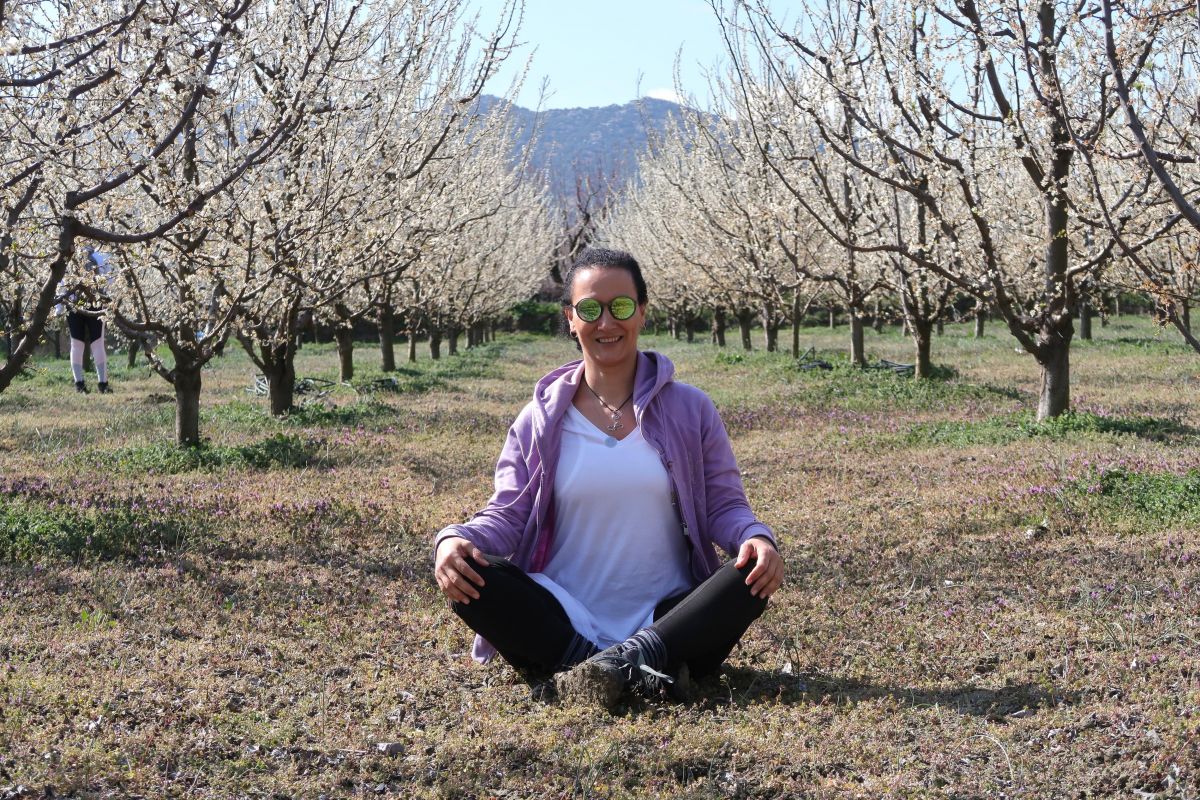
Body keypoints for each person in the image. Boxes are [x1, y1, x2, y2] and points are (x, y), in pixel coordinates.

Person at [433, 248, 784, 708]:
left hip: (669, 614)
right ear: (571, 319)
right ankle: (627, 669)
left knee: (747, 578)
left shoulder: (691, 409)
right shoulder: (539, 420)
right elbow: (509, 512)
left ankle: (606, 669)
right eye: (590, 309)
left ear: (641, 312)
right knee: (471, 574)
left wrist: (755, 538)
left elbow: (724, 505)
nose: (606, 323)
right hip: (561, 615)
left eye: (620, 307)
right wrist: (453, 539)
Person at [58, 247, 112, 394]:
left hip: (72, 303)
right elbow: (110, 280)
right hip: (96, 303)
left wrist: (58, 307)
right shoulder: (101, 256)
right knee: (98, 343)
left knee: (76, 344)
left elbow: (61, 281)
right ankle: (103, 384)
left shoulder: (67, 256)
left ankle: (79, 384)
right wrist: (108, 300)